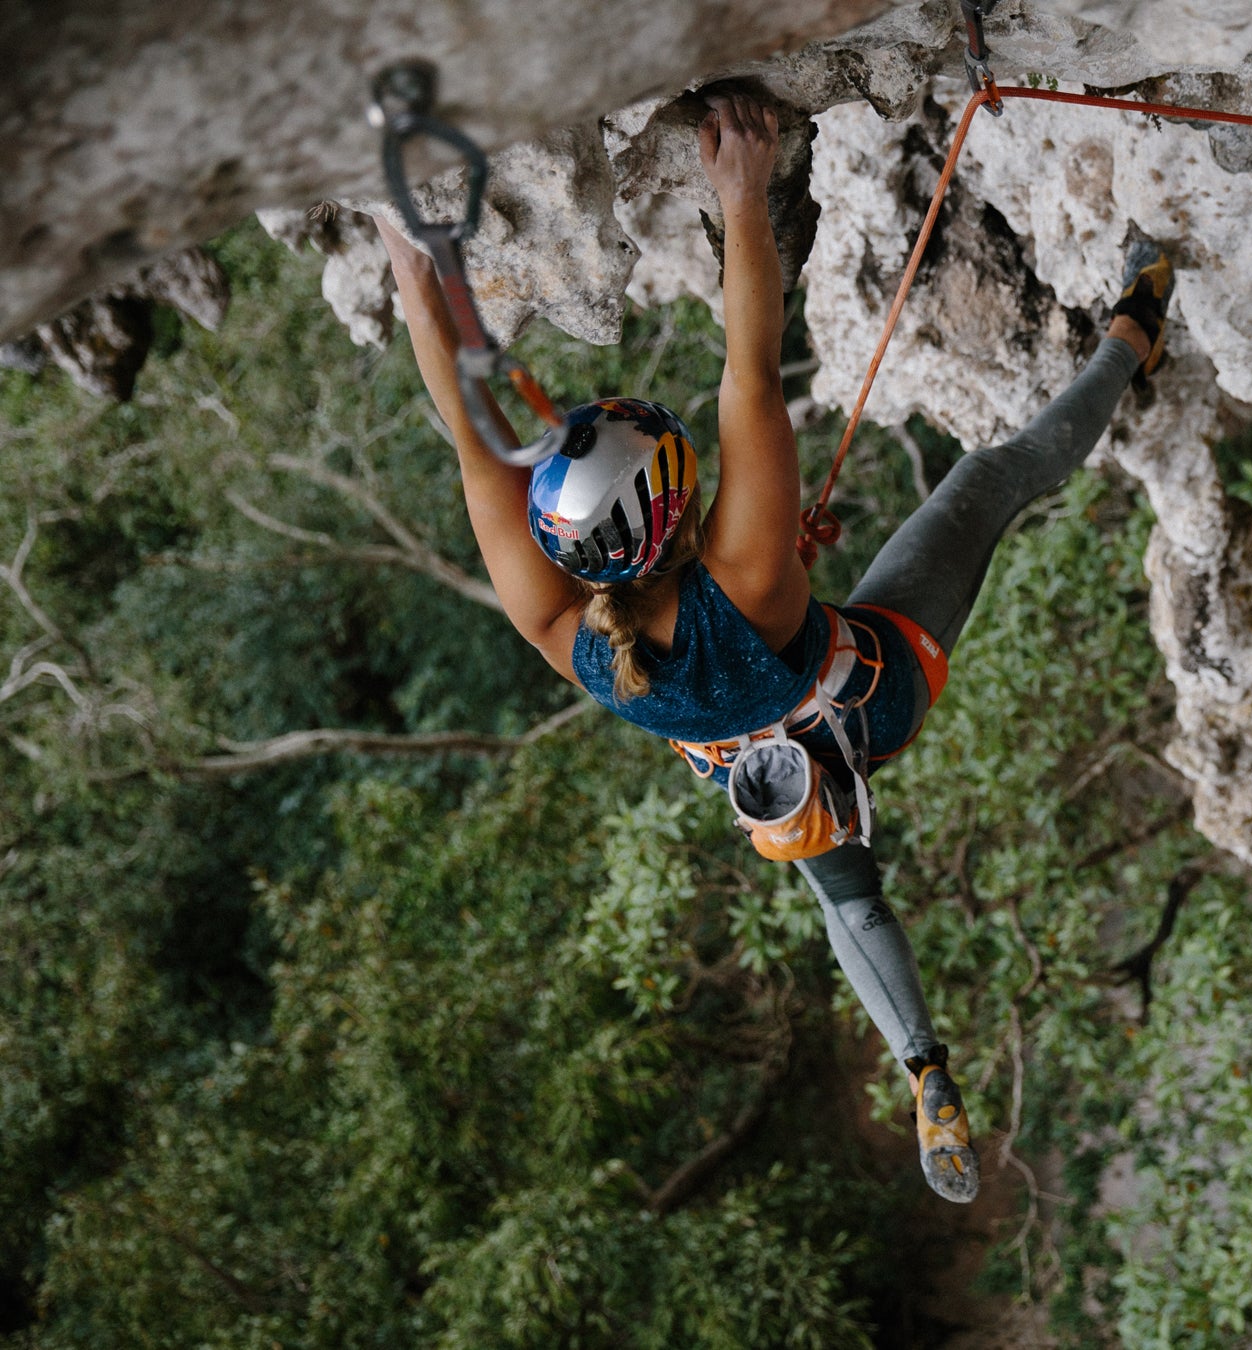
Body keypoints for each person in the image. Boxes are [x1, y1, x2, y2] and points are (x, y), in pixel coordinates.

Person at [374, 90, 1174, 1203]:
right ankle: (1137, 327)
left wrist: (425, 287)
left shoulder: (576, 639)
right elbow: (747, 368)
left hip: (789, 776)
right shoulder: (746, 574)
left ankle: (927, 1067)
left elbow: (475, 457)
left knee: (850, 900)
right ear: (673, 499)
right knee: (988, 481)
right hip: (869, 684)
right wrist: (740, 192)